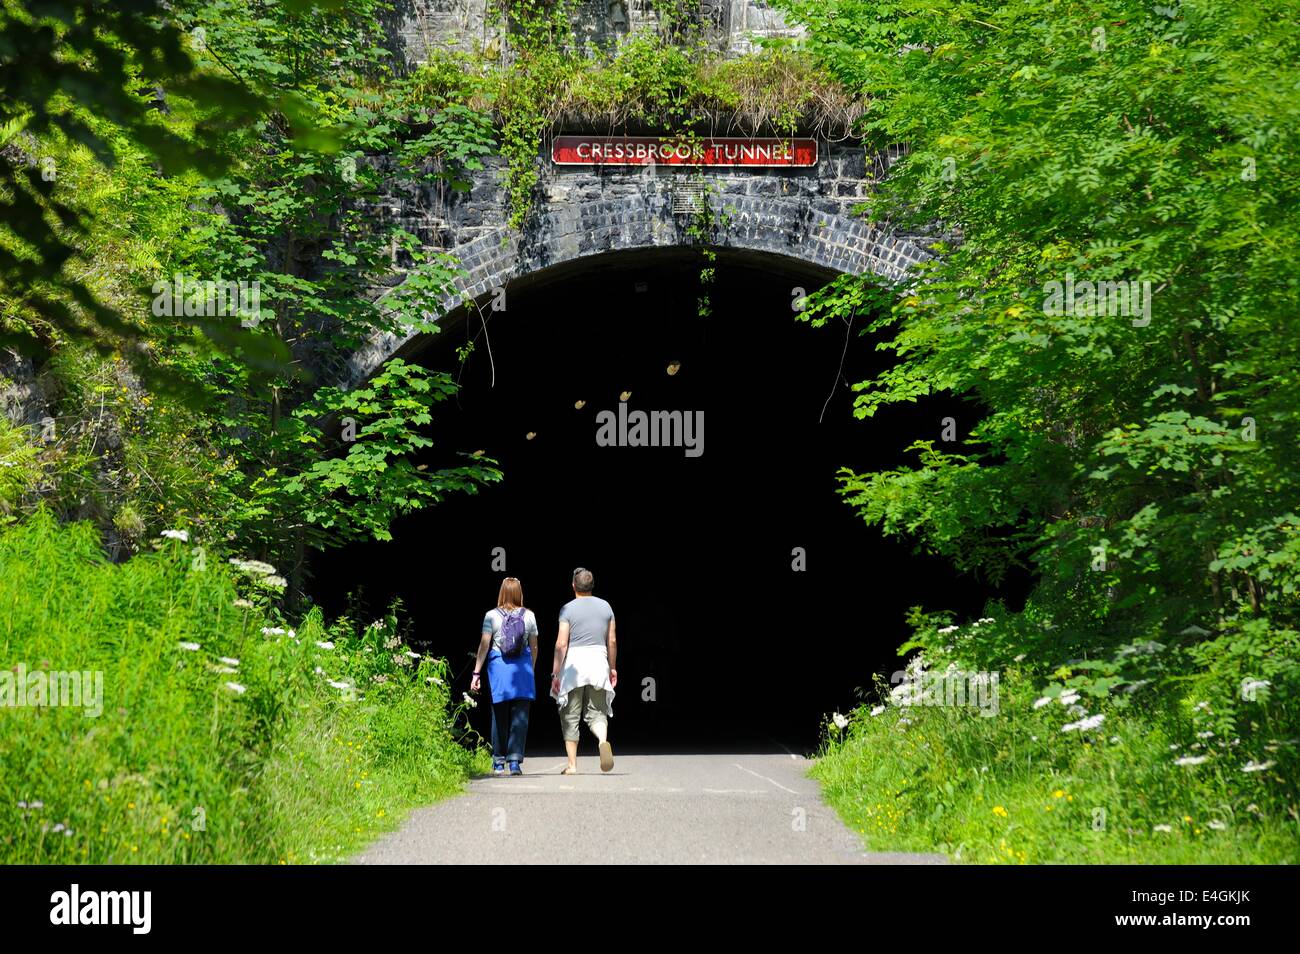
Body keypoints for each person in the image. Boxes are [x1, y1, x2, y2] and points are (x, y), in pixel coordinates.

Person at [550, 567, 617, 774]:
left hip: (574, 665)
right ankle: (603, 741)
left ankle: (572, 765)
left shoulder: (567, 609)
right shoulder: (606, 607)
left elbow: (562, 644)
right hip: (598, 661)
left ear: (573, 586)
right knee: (597, 713)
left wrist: (555, 672)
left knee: (570, 714)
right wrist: (612, 668)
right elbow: (612, 641)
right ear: (592, 585)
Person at [471, 577, 538, 776]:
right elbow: (534, 646)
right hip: (522, 669)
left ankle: (499, 761)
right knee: (521, 716)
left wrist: (476, 672)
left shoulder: (491, 615)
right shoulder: (530, 616)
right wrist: (531, 668)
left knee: (498, 714)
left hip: (498, 667)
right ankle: (515, 762)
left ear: (501, 592)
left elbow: (484, 645)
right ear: (519, 593)